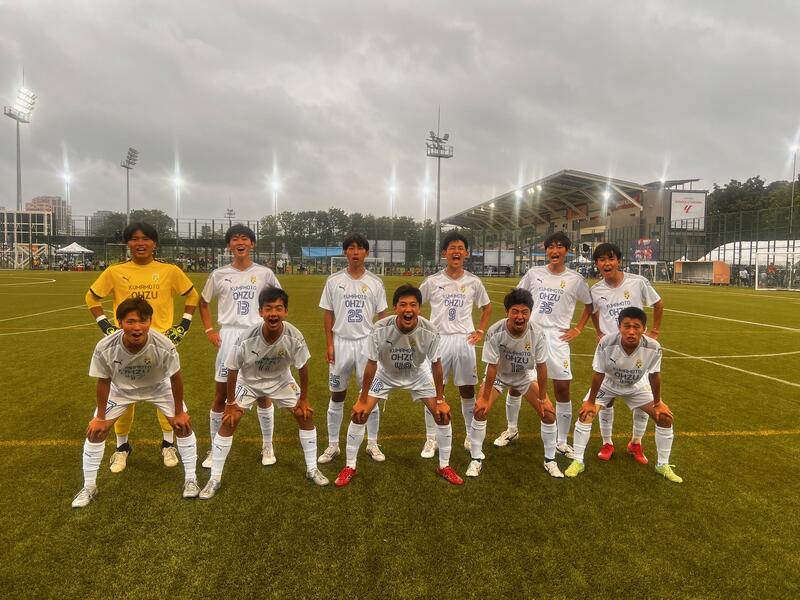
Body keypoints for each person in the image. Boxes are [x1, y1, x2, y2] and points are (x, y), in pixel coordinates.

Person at [85, 222, 199, 473]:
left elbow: (192, 295)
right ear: (128, 244)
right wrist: (104, 324)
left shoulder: (169, 270)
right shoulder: (115, 271)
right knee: (124, 394)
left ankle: (168, 444)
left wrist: (184, 324)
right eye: (134, 239)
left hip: (160, 344)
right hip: (126, 343)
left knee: (166, 392)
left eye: (146, 238)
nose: (140, 243)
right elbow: (91, 297)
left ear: (154, 243)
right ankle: (122, 447)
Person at [199, 286, 329, 499]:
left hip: (280, 380)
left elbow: (303, 367)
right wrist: (231, 403)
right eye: (268, 309)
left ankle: (312, 468)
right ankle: (214, 478)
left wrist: (303, 398)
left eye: (279, 308)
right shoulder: (247, 337)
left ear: (286, 312)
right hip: (249, 381)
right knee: (229, 420)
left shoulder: (294, 336)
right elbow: (232, 368)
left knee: (304, 415)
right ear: (260, 312)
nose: (273, 313)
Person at [71, 298, 199, 508]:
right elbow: (103, 381)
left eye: (143, 321)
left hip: (158, 387)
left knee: (183, 426)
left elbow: (176, 378)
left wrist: (178, 412)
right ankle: (89, 486)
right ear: (120, 322)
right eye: (130, 321)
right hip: (120, 390)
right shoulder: (105, 346)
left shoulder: (164, 345)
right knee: (96, 432)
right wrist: (100, 418)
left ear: (150, 321)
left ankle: (191, 479)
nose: (137, 327)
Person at [333, 284, 463, 487]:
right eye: (403, 305)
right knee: (359, 414)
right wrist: (362, 398)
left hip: (417, 374)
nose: (408, 309)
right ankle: (350, 465)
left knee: (442, 414)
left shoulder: (430, 330)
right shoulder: (380, 328)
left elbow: (436, 364)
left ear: (419, 309)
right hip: (385, 374)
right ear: (395, 307)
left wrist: (440, 400)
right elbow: (371, 363)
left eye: (413, 305)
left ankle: (444, 465)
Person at [494, 232, 592, 457]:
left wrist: (578, 328)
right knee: (516, 384)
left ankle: (561, 441)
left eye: (560, 247)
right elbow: (518, 297)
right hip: (530, 335)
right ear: (546, 250)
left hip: (558, 339)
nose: (555, 251)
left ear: (567, 251)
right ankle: (511, 430)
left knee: (562, 388)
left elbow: (589, 305)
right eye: (551, 247)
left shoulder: (576, 279)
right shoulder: (533, 273)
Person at [564, 307, 682, 483]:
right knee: (586, 414)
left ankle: (662, 464)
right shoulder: (606, 342)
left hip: (637, 386)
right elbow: (599, 373)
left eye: (636, 326)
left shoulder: (653, 347)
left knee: (665, 417)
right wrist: (590, 401)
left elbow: (654, 375)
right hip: (609, 384)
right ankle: (578, 460)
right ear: (619, 327)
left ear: (644, 328)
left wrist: (658, 403)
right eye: (627, 326)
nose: (631, 331)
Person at [198, 224, 282, 469]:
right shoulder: (219, 274)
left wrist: (271, 327)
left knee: (263, 394)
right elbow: (203, 302)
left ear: (252, 244)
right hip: (229, 336)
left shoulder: (265, 274)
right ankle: (215, 447)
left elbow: (277, 300)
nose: (240, 242)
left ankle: (268, 445)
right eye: (234, 239)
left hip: (258, 336)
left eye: (244, 238)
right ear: (229, 246)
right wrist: (209, 330)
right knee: (222, 395)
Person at [467, 288, 562, 478]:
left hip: (524, 376)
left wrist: (543, 398)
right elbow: (492, 367)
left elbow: (542, 367)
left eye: (524, 312)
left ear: (530, 313)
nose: (520, 316)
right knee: (479, 410)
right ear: (507, 312)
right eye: (515, 311)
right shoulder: (495, 331)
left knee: (549, 414)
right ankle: (476, 459)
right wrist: (485, 397)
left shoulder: (538, 333)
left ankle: (550, 460)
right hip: (500, 376)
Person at [589, 242, 664, 464]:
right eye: (602, 260)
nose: (607, 263)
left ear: (618, 261)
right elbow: (592, 311)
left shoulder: (638, 282)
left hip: (638, 349)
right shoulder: (596, 290)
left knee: (642, 395)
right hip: (610, 351)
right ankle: (607, 442)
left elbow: (658, 304)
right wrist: (599, 331)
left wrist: (654, 331)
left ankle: (636, 442)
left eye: (611, 259)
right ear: (597, 264)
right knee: (607, 398)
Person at [418, 231, 491, 458]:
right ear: (444, 253)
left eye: (460, 248)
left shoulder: (473, 281)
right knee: (433, 390)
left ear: (466, 253)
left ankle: (470, 435)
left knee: (467, 389)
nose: (456, 251)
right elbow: (416, 304)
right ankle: (432, 439)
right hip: (438, 340)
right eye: (452, 248)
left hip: (464, 340)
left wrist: (480, 330)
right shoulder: (433, 281)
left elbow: (486, 307)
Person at [317, 234, 388, 465]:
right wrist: (329, 343)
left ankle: (373, 443)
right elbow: (328, 314)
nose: (355, 252)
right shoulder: (333, 281)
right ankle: (333, 445)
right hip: (341, 344)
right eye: (351, 248)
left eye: (359, 248)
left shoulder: (376, 282)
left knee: (370, 395)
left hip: (367, 345)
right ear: (345, 252)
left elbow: (383, 317)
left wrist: (381, 346)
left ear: (366, 253)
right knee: (337, 395)